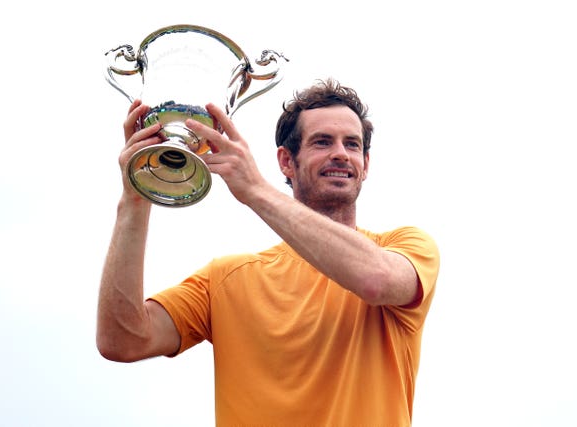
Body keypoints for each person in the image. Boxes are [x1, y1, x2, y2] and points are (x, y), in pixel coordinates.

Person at [97, 78, 440, 426]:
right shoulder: (225, 280)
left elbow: (375, 280)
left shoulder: (404, 247)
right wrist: (135, 199)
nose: (340, 153)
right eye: (322, 142)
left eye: (352, 144)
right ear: (286, 162)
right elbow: (122, 340)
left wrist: (255, 189)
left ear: (365, 164)